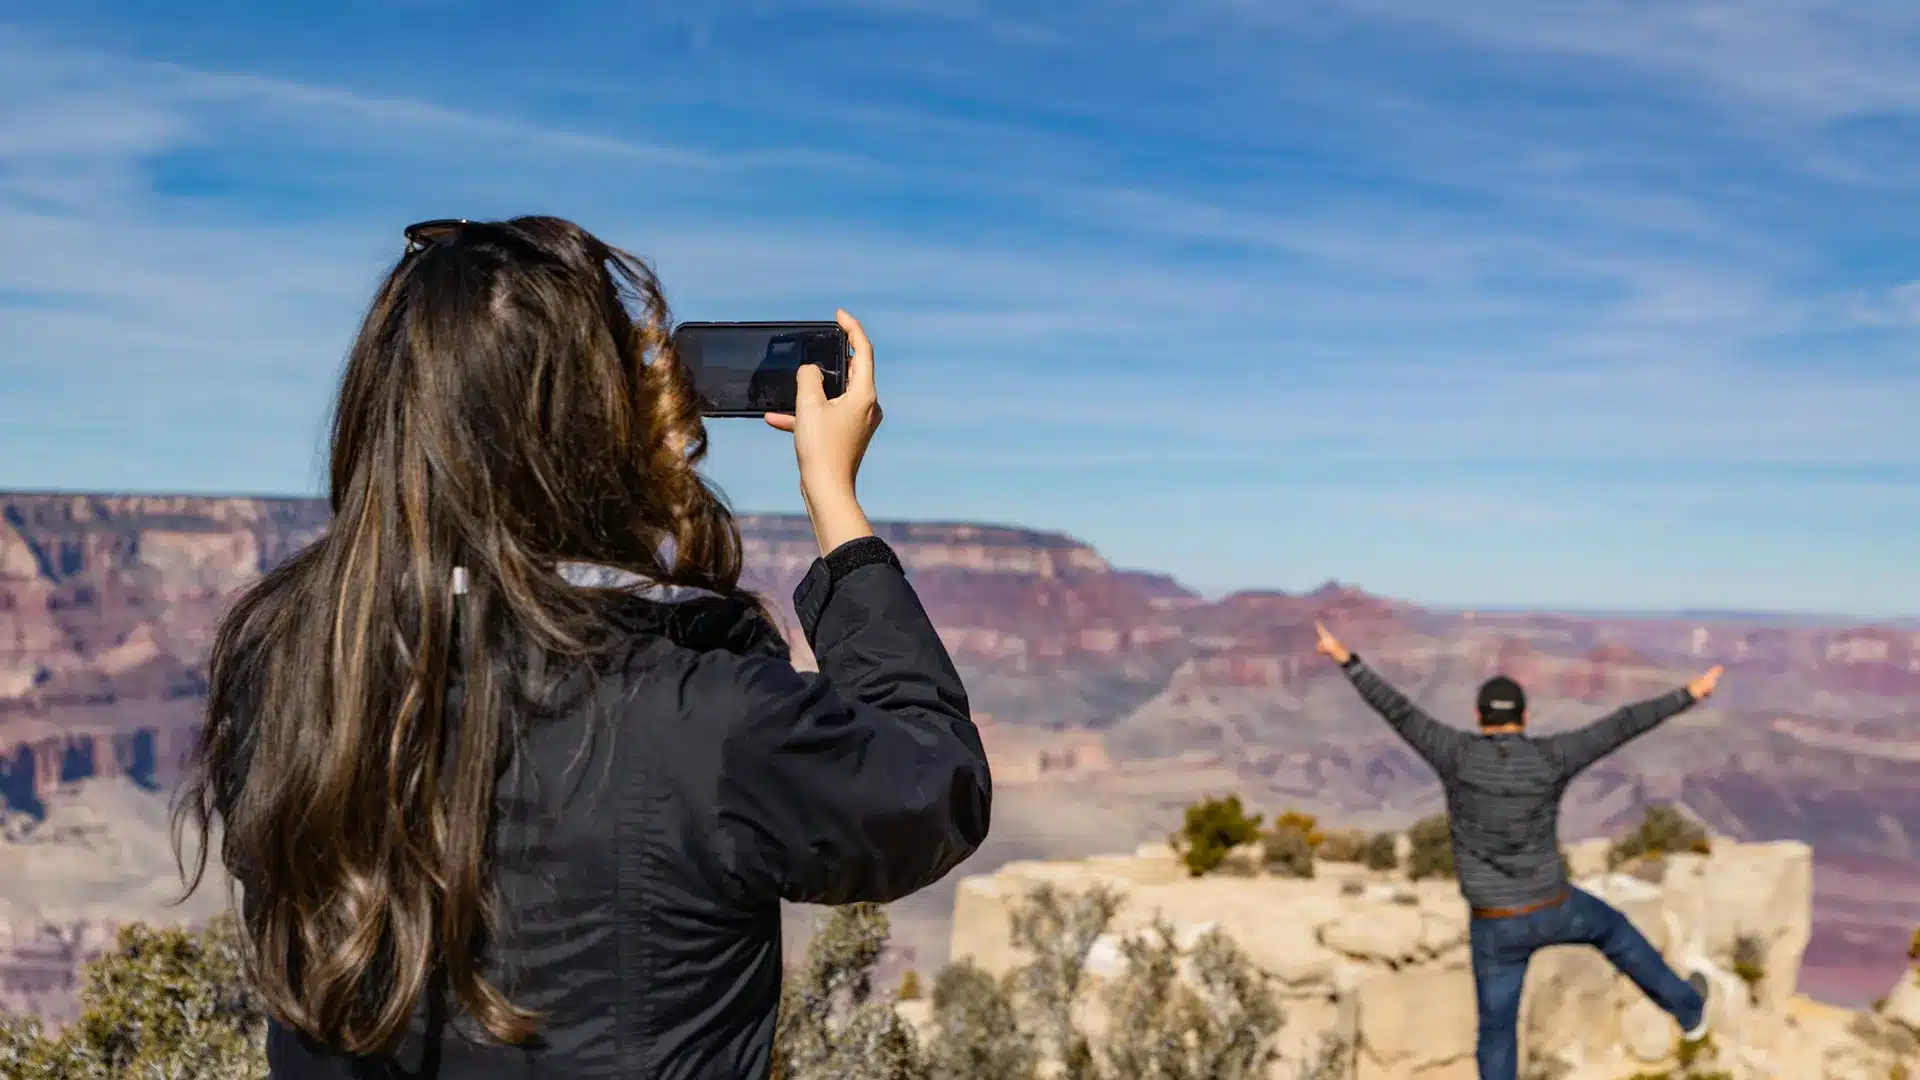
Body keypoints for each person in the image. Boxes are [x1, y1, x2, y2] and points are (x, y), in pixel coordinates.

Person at [173, 216, 993, 1080]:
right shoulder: (699, 716)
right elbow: (934, 786)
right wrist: (833, 501)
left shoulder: (284, 665)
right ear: (598, 424)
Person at [1312, 622, 1721, 1080]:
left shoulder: (1455, 754)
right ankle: (1688, 1012)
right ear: (1524, 717)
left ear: (1478, 716)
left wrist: (1346, 658)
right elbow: (1620, 726)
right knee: (1616, 933)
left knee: (1496, 1032)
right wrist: (1689, 693)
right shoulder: (1551, 757)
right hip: (1554, 905)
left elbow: (1399, 712)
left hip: (1495, 924)